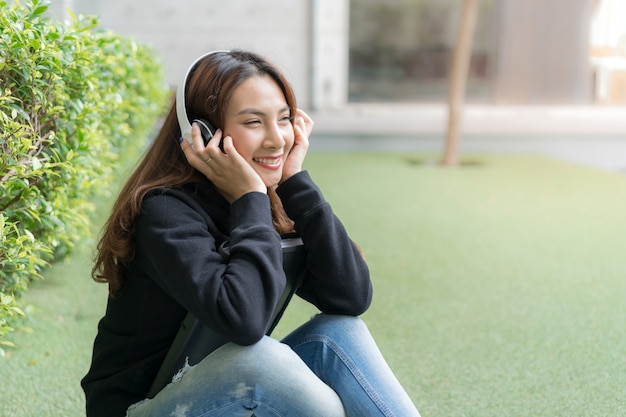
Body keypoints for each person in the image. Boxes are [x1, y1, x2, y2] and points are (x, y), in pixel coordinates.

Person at [81, 49, 420, 417]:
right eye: (254, 122)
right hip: (141, 408)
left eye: (285, 119)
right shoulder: (163, 211)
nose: (277, 140)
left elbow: (350, 297)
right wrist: (249, 198)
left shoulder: (263, 202)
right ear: (203, 134)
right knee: (257, 360)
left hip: (211, 389)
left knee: (337, 334)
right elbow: (245, 323)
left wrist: (295, 183)